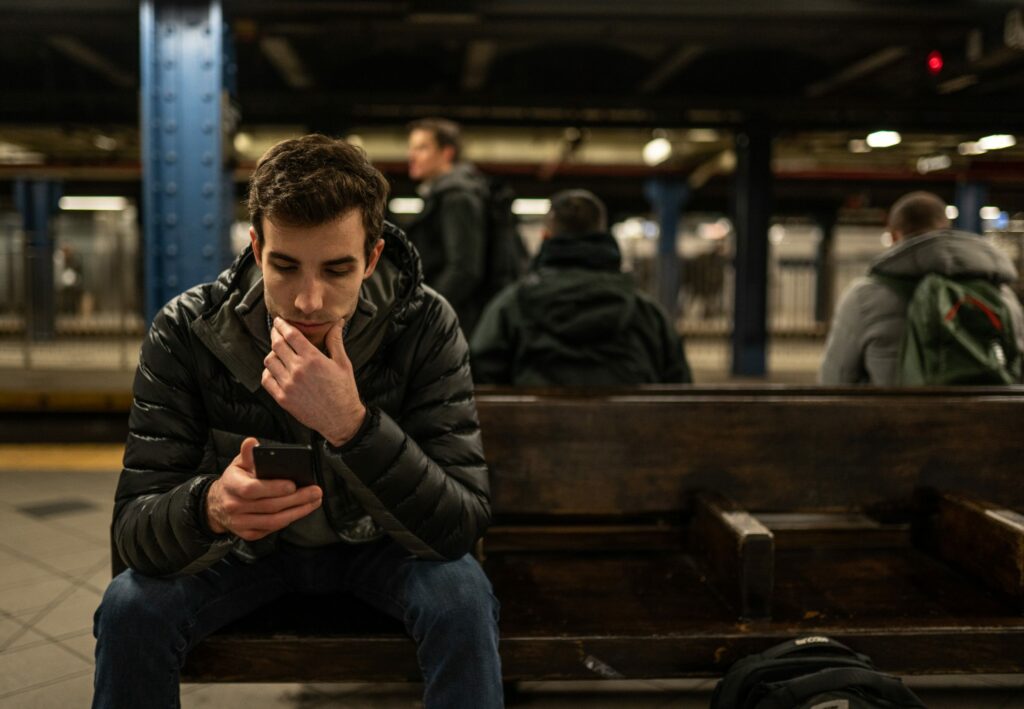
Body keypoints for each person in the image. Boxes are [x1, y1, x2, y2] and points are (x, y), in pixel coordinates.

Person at [92, 135, 502, 709]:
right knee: (129, 606)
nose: (309, 301)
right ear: (256, 248)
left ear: (373, 258)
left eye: (338, 270)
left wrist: (353, 427)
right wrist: (210, 507)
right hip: (244, 554)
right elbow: (134, 530)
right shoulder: (187, 330)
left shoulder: (425, 324)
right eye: (285, 266)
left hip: (380, 547)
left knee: (461, 595)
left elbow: (459, 525)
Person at [470, 189, 692, 385]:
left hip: (537, 429)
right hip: (628, 430)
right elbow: (678, 382)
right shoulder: (647, 312)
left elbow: (481, 373)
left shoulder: (511, 305)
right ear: (604, 235)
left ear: (546, 236)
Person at [819, 190, 1024, 385]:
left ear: (893, 236)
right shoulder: (1000, 293)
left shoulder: (863, 296)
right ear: (947, 229)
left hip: (893, 420)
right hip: (988, 419)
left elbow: (836, 378)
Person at [405, 118, 489, 334]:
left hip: (458, 321)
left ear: (447, 153)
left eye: (422, 148)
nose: (411, 156)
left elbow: (463, 268)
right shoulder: (446, 194)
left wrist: (425, 311)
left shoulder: (457, 196)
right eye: (411, 148)